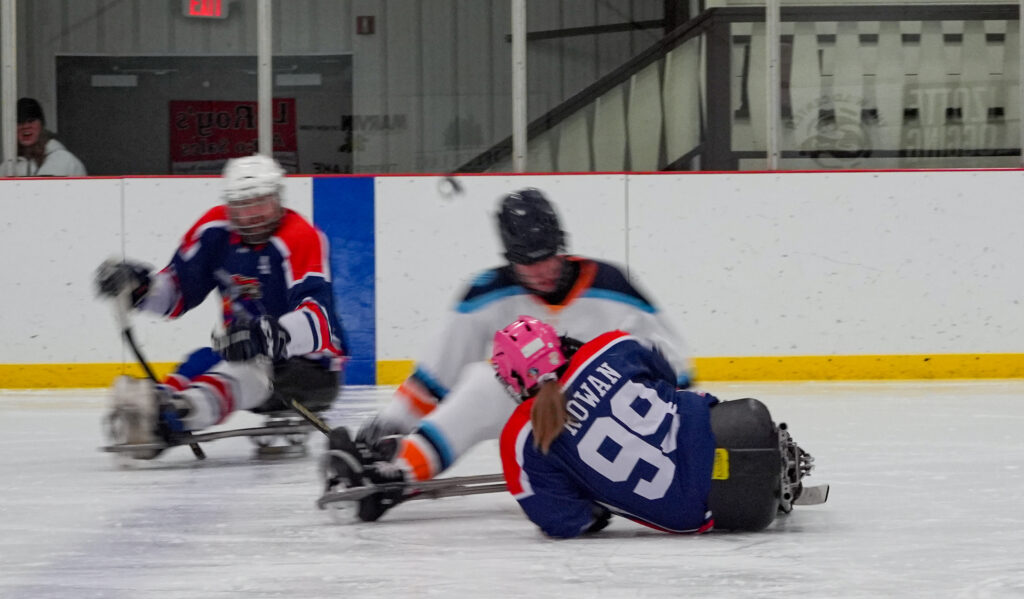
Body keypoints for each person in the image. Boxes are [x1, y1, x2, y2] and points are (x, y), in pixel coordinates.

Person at [322, 187, 693, 521]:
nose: (543, 269)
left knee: (492, 382)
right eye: (527, 260)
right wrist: (391, 422)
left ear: (562, 244)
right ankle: (396, 474)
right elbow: (440, 373)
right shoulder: (486, 294)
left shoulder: (613, 285)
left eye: (549, 255)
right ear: (509, 258)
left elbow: (674, 365)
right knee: (484, 383)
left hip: (614, 427)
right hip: (541, 428)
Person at [94, 154, 346, 458]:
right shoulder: (215, 231)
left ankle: (181, 412)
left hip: (310, 370)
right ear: (229, 205)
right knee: (203, 359)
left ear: (279, 199)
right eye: (242, 205)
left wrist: (268, 336)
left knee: (247, 371)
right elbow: (176, 294)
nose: (251, 214)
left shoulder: (301, 238)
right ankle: (157, 405)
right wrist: (139, 289)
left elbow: (320, 321)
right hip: (241, 353)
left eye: (260, 203)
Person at [490, 317, 816, 538]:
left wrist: (594, 501)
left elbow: (562, 520)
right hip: (742, 425)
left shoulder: (520, 437)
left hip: (722, 508)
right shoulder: (610, 346)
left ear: (514, 379)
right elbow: (668, 376)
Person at [13, 98, 87, 177]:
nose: (25, 126)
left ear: (41, 125)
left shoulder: (66, 162)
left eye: (31, 121)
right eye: (19, 122)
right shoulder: (8, 166)